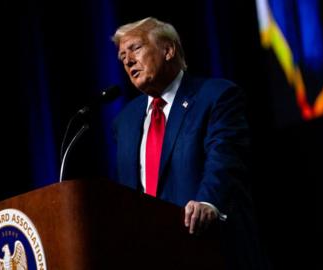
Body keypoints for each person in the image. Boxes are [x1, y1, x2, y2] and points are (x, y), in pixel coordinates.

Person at [111, 17, 269, 269]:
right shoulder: (125, 121)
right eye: (122, 57)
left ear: (168, 50)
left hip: (208, 248)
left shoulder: (216, 96)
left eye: (136, 48)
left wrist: (208, 202)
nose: (128, 60)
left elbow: (225, 158)